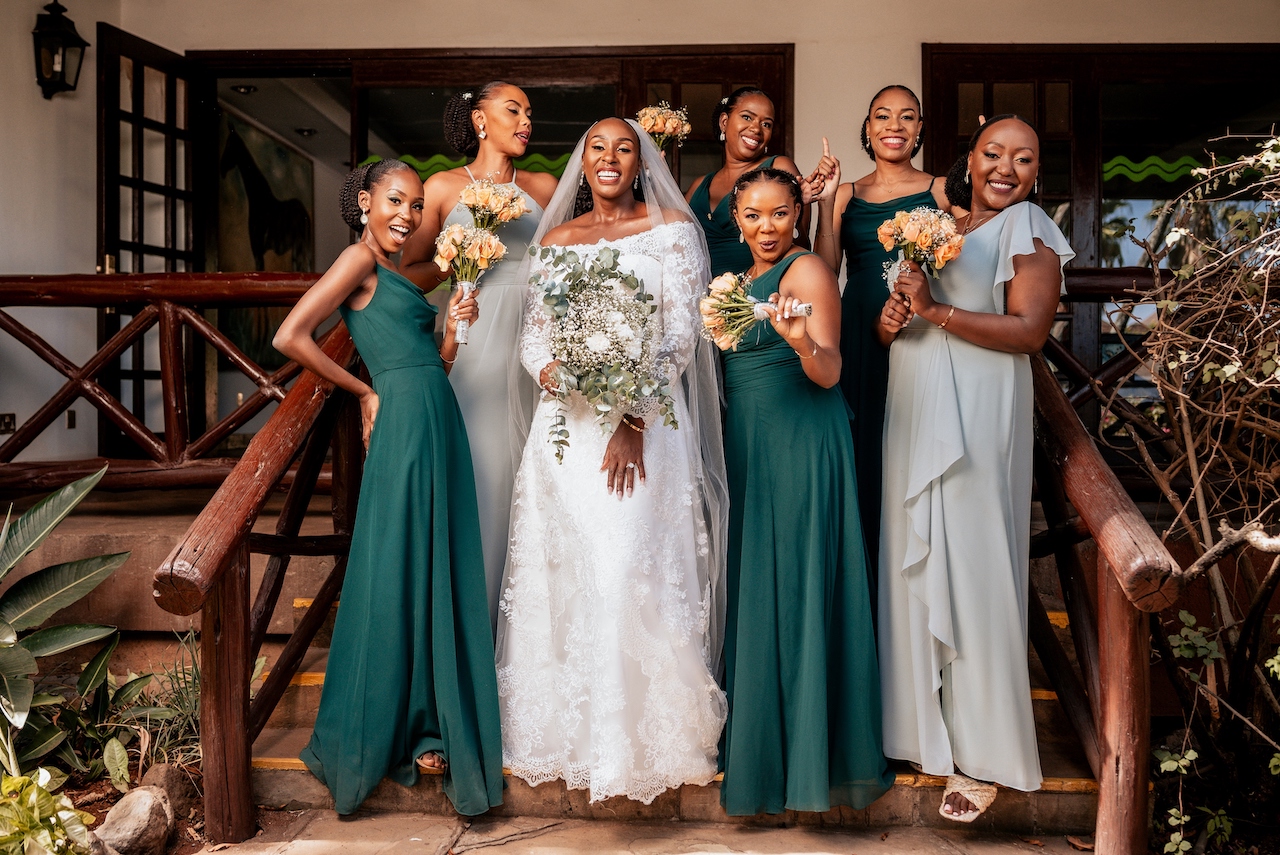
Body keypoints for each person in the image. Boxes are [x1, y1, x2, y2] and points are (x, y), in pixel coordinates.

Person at [496, 118, 730, 804]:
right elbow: (532, 337)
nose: (608, 158)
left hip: (643, 428)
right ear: (582, 162)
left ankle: (637, 743)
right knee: (565, 571)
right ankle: (569, 740)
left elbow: (681, 336)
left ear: (641, 163)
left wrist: (628, 414)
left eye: (623, 148)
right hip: (564, 435)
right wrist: (555, 376)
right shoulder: (558, 240)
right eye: (596, 147)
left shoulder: (672, 234)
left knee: (629, 564)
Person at [275, 158, 502, 816]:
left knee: (431, 568)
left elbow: (436, 364)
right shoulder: (358, 261)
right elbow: (291, 335)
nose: (406, 214)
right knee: (394, 571)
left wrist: (457, 327)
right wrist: (363, 389)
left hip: (438, 421)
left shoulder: (400, 272)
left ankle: (427, 723)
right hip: (404, 425)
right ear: (366, 200)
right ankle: (382, 727)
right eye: (395, 200)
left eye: (415, 204)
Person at [875, 115, 1074, 822]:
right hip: (915, 403)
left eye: (1023, 159)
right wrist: (898, 315)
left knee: (977, 566)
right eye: (993, 153)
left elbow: (1027, 332)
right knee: (914, 559)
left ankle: (985, 755)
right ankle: (919, 732)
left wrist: (936, 310)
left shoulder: (1030, 230)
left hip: (978, 411)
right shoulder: (940, 224)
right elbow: (897, 319)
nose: (1005, 168)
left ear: (1035, 174)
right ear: (969, 159)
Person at [718, 168, 893, 815]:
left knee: (796, 587)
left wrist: (799, 341)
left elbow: (830, 369)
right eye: (754, 216)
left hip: (799, 443)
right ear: (737, 219)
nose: (767, 227)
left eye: (779, 214)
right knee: (761, 588)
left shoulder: (807, 272)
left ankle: (807, 762)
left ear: (798, 213)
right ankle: (766, 753)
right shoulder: (736, 284)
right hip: (751, 448)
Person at [402, 82, 558, 629]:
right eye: (513, 110)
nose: (525, 121)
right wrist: (459, 263)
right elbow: (408, 273)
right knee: (485, 475)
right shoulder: (442, 187)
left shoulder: (544, 185)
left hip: (541, 339)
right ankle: (475, 626)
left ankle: (533, 634)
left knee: (539, 478)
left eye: (530, 113)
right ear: (478, 119)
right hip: (476, 338)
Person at [811, 85, 949, 576]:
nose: (895, 125)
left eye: (907, 117)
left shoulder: (940, 189)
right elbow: (826, 271)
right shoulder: (846, 194)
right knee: (866, 448)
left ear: (919, 131)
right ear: (867, 131)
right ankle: (868, 581)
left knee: (916, 441)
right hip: (859, 335)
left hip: (922, 331)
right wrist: (825, 206)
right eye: (883, 117)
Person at [684, 88, 809, 276]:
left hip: (756, 295)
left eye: (766, 124)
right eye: (747, 117)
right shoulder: (699, 186)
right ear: (724, 122)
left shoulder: (778, 167)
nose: (756, 129)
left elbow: (801, 245)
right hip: (703, 299)